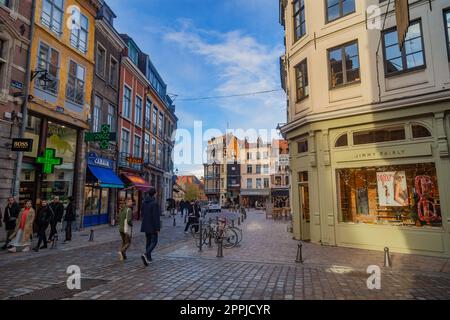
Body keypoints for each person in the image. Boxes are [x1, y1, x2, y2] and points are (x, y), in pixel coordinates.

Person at [140, 188, 161, 266]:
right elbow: (156, 217)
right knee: (154, 241)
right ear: (154, 194)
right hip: (152, 226)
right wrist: (157, 228)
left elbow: (142, 214)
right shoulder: (154, 203)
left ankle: (148, 258)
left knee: (148, 242)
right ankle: (145, 254)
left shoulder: (144, 202)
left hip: (146, 225)